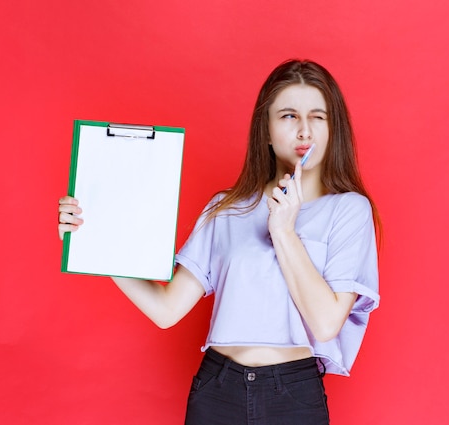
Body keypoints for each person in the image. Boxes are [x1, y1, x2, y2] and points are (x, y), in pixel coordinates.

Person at [58, 59, 381, 425]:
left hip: (293, 397)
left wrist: (285, 230)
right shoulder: (226, 209)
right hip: (217, 390)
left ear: (332, 129)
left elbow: (325, 324)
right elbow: (166, 310)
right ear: (267, 132)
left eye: (318, 117)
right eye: (289, 116)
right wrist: (95, 240)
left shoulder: (349, 210)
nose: (304, 130)